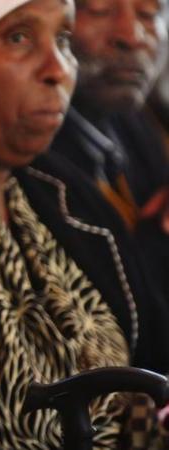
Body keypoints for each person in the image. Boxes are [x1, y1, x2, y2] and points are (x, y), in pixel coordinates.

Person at [0, 0, 169, 447]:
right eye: (18, 38)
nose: (58, 69)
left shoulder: (68, 196)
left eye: (62, 40)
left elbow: (155, 351)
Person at [48, 0, 169, 299]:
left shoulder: (141, 121)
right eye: (98, 8)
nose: (132, 35)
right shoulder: (28, 157)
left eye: (149, 13)